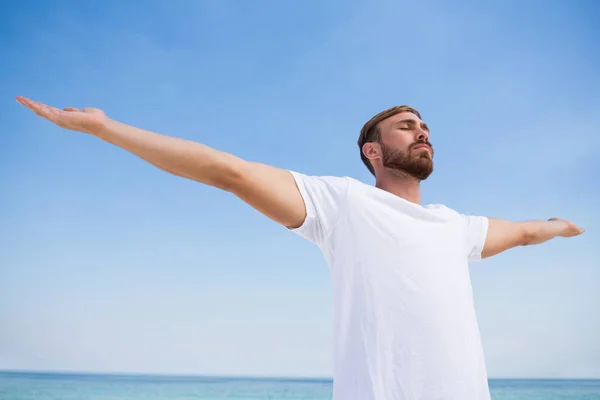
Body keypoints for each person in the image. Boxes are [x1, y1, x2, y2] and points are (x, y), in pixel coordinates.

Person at [15, 96, 584, 400]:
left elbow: (528, 232)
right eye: (407, 126)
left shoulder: (455, 226)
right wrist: (103, 128)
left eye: (426, 126)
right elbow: (227, 172)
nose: (423, 132)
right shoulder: (341, 204)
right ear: (372, 152)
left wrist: (559, 225)